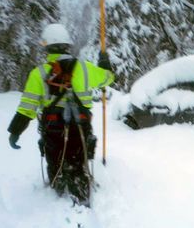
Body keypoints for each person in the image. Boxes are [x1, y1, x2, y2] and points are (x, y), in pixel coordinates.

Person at [7, 23, 114, 206]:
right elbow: (108, 77)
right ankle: (80, 189)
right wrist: (104, 63)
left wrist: (15, 131)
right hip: (80, 125)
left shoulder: (38, 73)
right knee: (78, 158)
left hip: (53, 126)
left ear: (47, 47)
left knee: (54, 158)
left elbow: (27, 107)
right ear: (67, 45)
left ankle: (58, 184)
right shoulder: (85, 68)